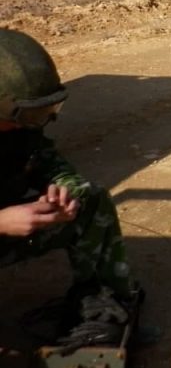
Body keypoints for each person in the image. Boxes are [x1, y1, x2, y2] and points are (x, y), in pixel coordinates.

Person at [0, 28, 138, 346]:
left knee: (92, 201)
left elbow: (55, 166)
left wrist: (65, 190)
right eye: (32, 112)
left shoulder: (20, 132)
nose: (42, 120)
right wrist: (3, 221)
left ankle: (105, 305)